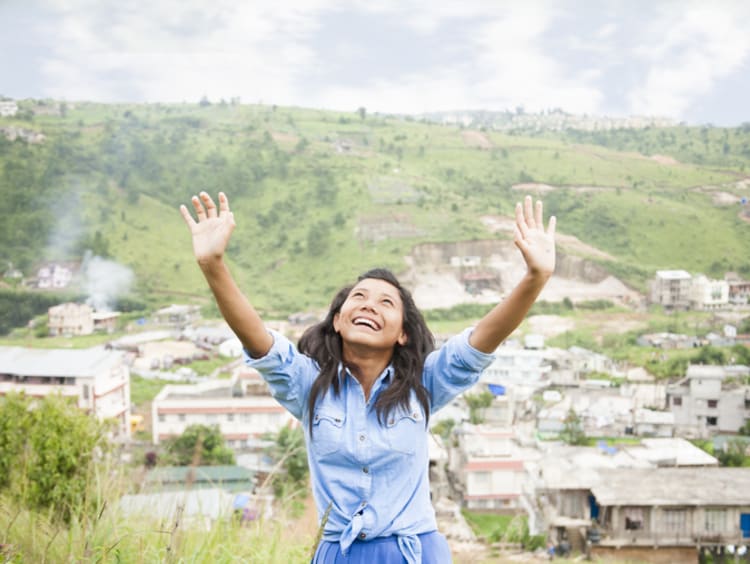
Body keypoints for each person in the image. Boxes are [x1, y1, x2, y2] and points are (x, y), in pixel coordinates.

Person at [179, 191, 556, 564]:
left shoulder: (422, 385)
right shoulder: (309, 386)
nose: (369, 305)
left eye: (386, 303)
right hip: (339, 553)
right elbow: (261, 344)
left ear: (402, 333)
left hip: (414, 552)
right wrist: (213, 264)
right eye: (358, 297)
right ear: (340, 321)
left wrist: (535, 278)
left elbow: (478, 344)